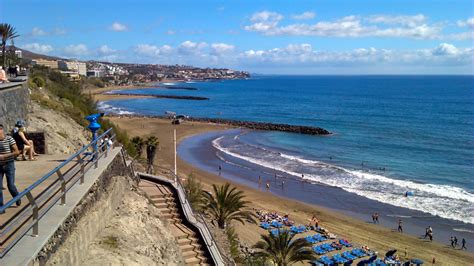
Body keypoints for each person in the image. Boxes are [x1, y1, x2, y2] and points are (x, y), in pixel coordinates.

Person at [0, 124, 21, 213]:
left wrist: (5, 156)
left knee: (11, 185)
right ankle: (1, 207)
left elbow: (17, 152)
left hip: (9, 164)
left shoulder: (9, 139)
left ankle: (17, 197)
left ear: (2, 130)